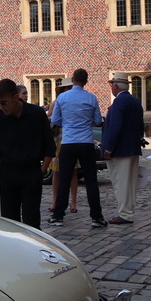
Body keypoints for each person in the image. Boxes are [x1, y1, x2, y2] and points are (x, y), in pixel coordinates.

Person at [0, 79, 56, 228]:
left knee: (32, 221)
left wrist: (42, 171)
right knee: (10, 222)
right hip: (7, 173)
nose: (1, 107)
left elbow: (49, 146)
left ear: (15, 97)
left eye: (4, 103)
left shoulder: (36, 114)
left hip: (31, 172)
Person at [48, 69, 106, 229]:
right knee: (91, 181)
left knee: (64, 180)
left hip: (68, 142)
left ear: (72, 79)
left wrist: (69, 122)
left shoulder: (62, 97)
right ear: (86, 81)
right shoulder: (91, 98)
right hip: (86, 142)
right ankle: (96, 216)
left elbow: (56, 119)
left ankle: (58, 215)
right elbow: (96, 120)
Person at [102, 73, 145, 226]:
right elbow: (141, 125)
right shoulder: (135, 101)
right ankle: (128, 211)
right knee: (130, 183)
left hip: (120, 150)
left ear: (115, 86)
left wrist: (108, 148)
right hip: (132, 147)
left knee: (121, 183)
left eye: (112, 85)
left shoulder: (119, 102)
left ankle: (125, 214)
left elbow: (115, 127)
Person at [47, 80, 78, 214]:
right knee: (57, 171)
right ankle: (55, 200)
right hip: (59, 138)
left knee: (73, 171)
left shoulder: (76, 101)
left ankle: (73, 201)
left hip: (72, 137)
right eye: (67, 88)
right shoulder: (58, 100)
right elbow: (50, 118)